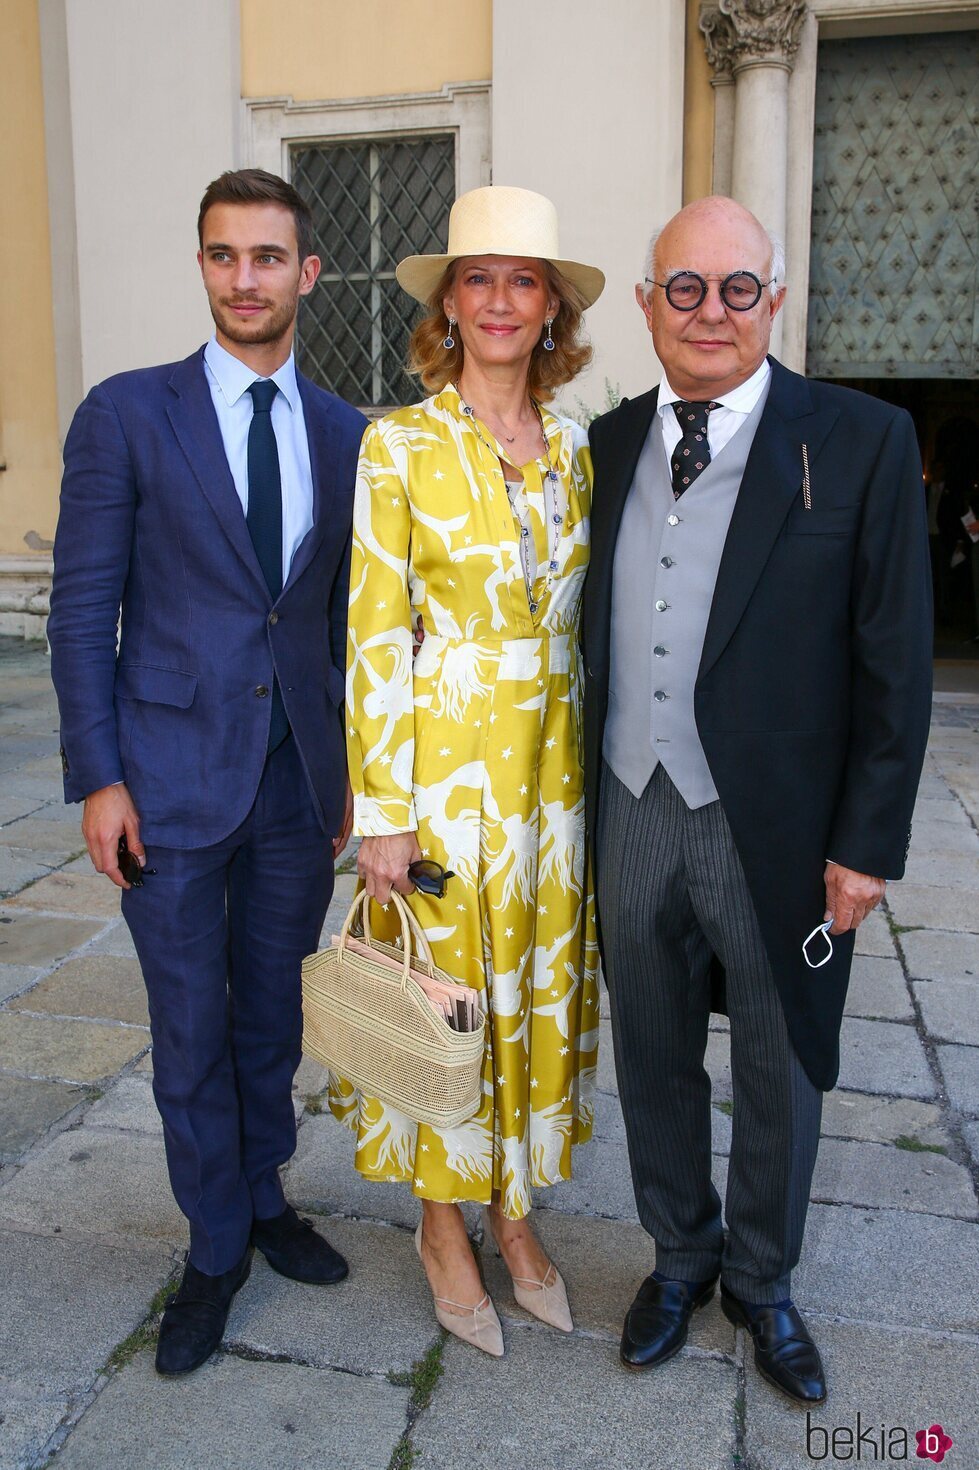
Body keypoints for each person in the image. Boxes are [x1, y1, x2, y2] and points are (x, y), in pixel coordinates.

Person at [582, 196, 932, 1404]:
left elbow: (893, 660)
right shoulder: (610, 441)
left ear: (773, 301)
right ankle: (678, 1257)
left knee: (784, 1058)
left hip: (778, 824)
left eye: (738, 289)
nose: (711, 312)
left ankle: (763, 1281)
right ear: (646, 305)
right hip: (630, 802)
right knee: (651, 1050)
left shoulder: (859, 439)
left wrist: (865, 846)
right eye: (684, 288)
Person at [47, 168, 366, 1377]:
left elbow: (340, 621)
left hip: (294, 787)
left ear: (306, 273)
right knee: (187, 1026)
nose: (247, 279)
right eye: (225, 256)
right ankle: (215, 1247)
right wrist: (99, 777)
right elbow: (83, 613)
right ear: (203, 267)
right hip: (167, 781)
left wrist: (352, 777)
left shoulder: (347, 435)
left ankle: (266, 1196)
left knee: (270, 1013)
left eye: (268, 257)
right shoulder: (129, 413)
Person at [330, 185, 604, 1356]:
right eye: (477, 278)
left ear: (550, 310)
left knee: (530, 994)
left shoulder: (582, 447)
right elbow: (373, 635)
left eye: (523, 279)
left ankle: (513, 1210)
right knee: (446, 1002)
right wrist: (381, 814)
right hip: (443, 773)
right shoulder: (396, 445)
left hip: (554, 774)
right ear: (450, 303)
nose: (499, 300)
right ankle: (442, 1225)